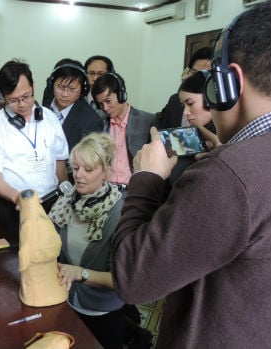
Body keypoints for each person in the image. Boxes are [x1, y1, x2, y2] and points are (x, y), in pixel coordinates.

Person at [110, 3, 271, 348]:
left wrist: (148, 177)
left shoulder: (227, 175)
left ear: (230, 82)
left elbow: (132, 277)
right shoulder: (234, 167)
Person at [48, 133, 152, 349]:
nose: (79, 176)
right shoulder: (65, 203)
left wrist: (81, 273)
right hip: (69, 302)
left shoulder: (120, 213)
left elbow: (125, 280)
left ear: (105, 172)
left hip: (104, 312)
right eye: (75, 168)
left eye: (88, 169)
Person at [0, 59, 69, 235]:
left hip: (52, 204)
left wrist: (66, 196)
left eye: (26, 96)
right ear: (3, 96)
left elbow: (59, 160)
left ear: (33, 86)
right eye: (13, 100)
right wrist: (17, 197)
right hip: (16, 207)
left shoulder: (50, 119)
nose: (21, 104)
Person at [91, 72, 155, 192]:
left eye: (108, 101)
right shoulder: (98, 121)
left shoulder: (148, 121)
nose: (105, 108)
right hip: (104, 190)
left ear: (122, 95)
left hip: (134, 190)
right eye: (100, 104)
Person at [43, 58, 103, 154]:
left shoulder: (91, 121)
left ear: (83, 90)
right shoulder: (44, 106)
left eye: (72, 89)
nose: (65, 94)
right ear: (51, 85)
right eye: (60, 87)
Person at [155, 47, 213, 130]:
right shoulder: (175, 101)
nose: (197, 79)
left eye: (205, 74)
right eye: (194, 73)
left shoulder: (227, 113)